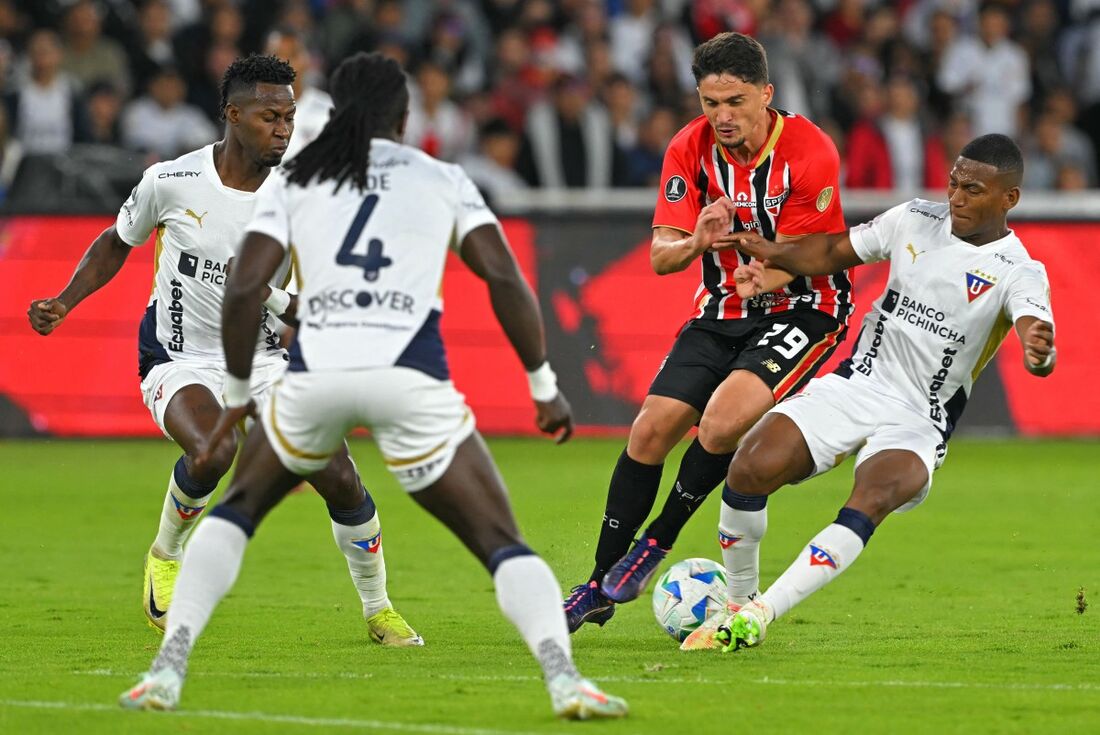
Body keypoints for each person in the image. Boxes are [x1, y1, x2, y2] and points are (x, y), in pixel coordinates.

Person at [117, 52, 628, 721]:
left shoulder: (296, 178)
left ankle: (167, 668)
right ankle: (563, 680)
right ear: (405, 117)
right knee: (500, 540)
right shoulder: (442, 177)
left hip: (317, 374)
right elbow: (505, 278)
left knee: (237, 510)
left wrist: (240, 394)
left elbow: (246, 287)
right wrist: (542, 382)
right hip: (409, 376)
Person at [27, 54, 420, 648]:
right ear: (233, 116)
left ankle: (379, 608)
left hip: (266, 362)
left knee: (339, 478)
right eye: (270, 117)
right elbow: (116, 241)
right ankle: (166, 554)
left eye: (289, 117)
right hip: (178, 357)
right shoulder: (172, 181)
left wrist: (272, 298)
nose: (284, 130)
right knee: (215, 450)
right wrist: (64, 300)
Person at [680, 133, 1056, 652]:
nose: (956, 197)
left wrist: (1040, 347)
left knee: (872, 496)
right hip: (858, 385)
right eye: (953, 182)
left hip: (919, 419)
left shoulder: (1019, 269)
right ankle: (738, 607)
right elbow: (835, 250)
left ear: (1008, 199)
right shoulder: (914, 220)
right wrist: (770, 251)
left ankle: (761, 615)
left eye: (973, 189)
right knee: (748, 466)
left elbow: (1034, 325)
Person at [563, 31, 853, 633]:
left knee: (721, 421)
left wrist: (762, 264)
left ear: (766, 95)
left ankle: (657, 541)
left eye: (735, 102)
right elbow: (661, 257)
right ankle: (596, 584)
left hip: (804, 307)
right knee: (649, 431)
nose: (721, 116)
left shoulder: (809, 151)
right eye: (710, 102)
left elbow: (814, 255)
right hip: (722, 308)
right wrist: (697, 240)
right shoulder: (688, 148)